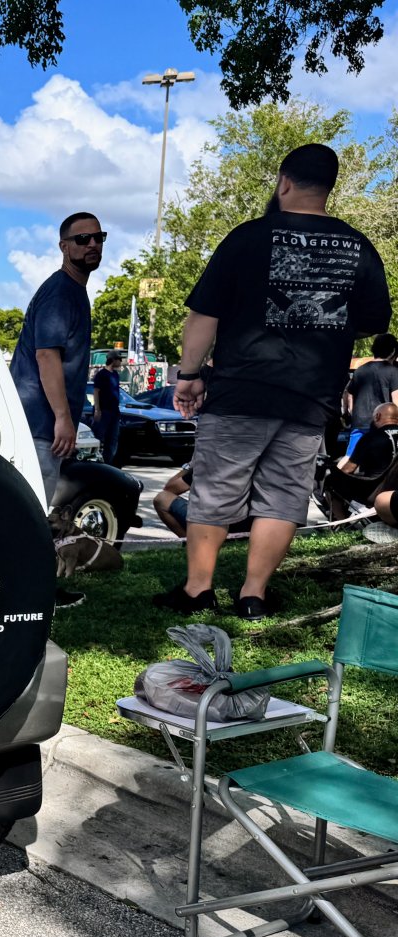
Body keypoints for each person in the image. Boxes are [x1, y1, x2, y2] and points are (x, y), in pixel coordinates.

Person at [157, 144, 392, 619]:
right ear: (330, 187)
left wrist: (189, 375)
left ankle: (198, 589)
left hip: (241, 389)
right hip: (310, 398)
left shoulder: (248, 238)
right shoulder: (358, 247)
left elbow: (203, 315)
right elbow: (371, 322)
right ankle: (253, 595)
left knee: (216, 489)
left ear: (284, 181)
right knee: (283, 496)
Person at [9, 211, 104, 609]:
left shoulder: (73, 291)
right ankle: (26, 594)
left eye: (98, 237)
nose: (92, 244)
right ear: (64, 246)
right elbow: (47, 356)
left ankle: (29, 588)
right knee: (31, 512)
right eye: (82, 239)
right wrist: (64, 418)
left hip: (43, 421)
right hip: (37, 422)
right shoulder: (61, 292)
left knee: (33, 510)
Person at [154, 462, 254, 539]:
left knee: (162, 499)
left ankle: (189, 542)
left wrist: (191, 465)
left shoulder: (211, 461)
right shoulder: (255, 461)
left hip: (212, 525)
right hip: (252, 527)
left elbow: (170, 488)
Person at [342, 333, 398, 454]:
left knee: (351, 457)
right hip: (383, 425)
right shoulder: (394, 372)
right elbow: (396, 402)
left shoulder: (360, 370)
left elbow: (348, 394)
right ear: (393, 351)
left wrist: (350, 412)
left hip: (359, 423)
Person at [91, 352, 123, 464]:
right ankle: (95, 462)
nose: (121, 362)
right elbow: (96, 391)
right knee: (98, 437)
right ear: (113, 360)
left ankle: (107, 462)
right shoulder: (101, 374)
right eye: (119, 359)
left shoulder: (115, 374)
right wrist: (97, 409)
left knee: (112, 439)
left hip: (114, 411)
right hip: (103, 410)